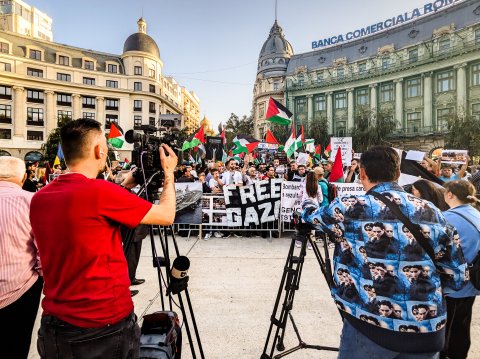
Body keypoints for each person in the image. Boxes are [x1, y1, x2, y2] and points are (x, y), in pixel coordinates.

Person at [29, 118, 178, 359]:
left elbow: (85, 213)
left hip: (54, 327)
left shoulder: (40, 198)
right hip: (103, 327)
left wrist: (125, 186)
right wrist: (169, 175)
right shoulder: (101, 193)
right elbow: (166, 215)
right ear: (100, 151)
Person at [302, 145, 467, 358]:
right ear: (397, 174)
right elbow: (457, 276)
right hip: (426, 331)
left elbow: (314, 217)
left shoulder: (351, 206)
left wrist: (306, 203)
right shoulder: (432, 211)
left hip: (369, 328)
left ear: (361, 173)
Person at [0, 157, 42, 359]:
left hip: (20, 289)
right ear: (24, 177)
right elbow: (44, 251)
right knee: (15, 347)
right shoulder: (32, 202)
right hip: (20, 291)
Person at [441, 180, 480, 359]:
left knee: (444, 332)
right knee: (462, 327)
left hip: (451, 285)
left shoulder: (446, 218)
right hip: (473, 282)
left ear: (450, 195)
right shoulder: (476, 214)